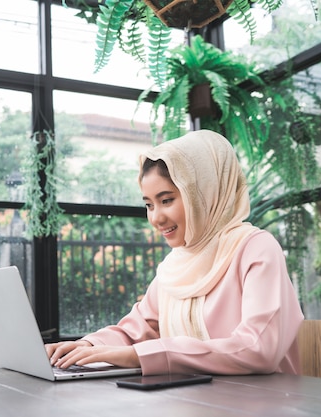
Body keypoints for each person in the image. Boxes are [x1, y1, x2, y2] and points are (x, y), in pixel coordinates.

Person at [46, 129, 304, 376]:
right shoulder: (176, 265)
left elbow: (257, 349)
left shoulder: (255, 248)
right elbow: (138, 329)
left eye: (166, 200)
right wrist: (88, 346)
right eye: (149, 204)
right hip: (197, 401)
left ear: (202, 194)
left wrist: (140, 356)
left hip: (264, 404)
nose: (156, 218)